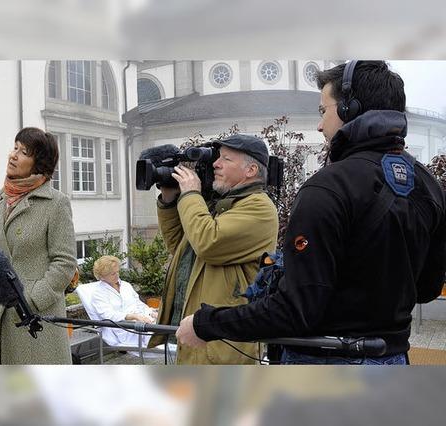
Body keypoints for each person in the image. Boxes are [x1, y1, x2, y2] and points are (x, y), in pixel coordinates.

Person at [176, 61, 446, 365]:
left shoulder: (327, 188)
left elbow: (294, 310)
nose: (320, 125)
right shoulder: (428, 185)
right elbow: (427, 288)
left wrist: (205, 324)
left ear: (349, 109)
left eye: (323, 111)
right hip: (393, 357)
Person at [150, 135, 279, 364]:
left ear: (250, 170)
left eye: (226, 159)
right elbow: (182, 245)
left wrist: (190, 193)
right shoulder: (220, 203)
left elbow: (207, 242)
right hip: (195, 334)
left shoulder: (259, 207)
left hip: (223, 344)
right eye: (217, 158)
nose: (215, 164)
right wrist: (170, 196)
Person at [0, 127, 77, 364]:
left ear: (39, 163)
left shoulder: (56, 204)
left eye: (24, 152)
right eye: (15, 148)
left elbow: (65, 262)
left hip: (35, 322)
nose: (13, 155)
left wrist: (30, 299)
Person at [89, 255, 157, 348]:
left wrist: (151, 312)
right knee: (162, 336)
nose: (117, 275)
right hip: (125, 328)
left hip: (143, 320)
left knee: (169, 324)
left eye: (118, 272)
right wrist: (132, 316)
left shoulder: (126, 285)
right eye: (113, 274)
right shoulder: (98, 294)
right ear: (102, 276)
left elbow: (138, 303)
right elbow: (108, 315)